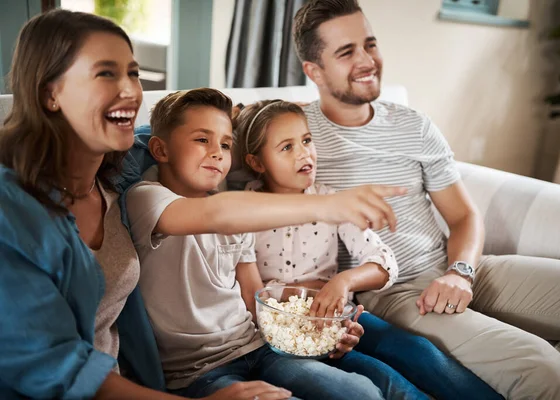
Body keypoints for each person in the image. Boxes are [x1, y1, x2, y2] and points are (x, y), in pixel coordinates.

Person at [0, 9, 399, 400]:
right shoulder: (42, 207)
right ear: (49, 92)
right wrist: (327, 206)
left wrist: (310, 331)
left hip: (239, 348)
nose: (130, 90)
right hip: (171, 376)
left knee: (361, 388)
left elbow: (167, 136)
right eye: (106, 73)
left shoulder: (113, 176)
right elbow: (213, 209)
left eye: (134, 73)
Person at [282, 1, 560, 399]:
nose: (367, 60)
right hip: (396, 291)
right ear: (313, 71)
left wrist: (460, 271)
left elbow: (465, 215)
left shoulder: (413, 124)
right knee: (540, 370)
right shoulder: (294, 137)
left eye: (370, 44)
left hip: (460, 268)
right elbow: (208, 130)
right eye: (346, 52)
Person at [125, 88, 405, 399]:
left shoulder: (237, 212)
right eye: (202, 140)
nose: (218, 152)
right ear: (160, 150)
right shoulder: (145, 198)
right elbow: (217, 215)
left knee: (361, 392)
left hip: (259, 347)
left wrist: (316, 335)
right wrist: (327, 206)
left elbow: (252, 296)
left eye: (226, 144)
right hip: (200, 371)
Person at [235, 98, 503, 400]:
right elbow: (250, 294)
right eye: (287, 147)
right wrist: (299, 292)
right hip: (284, 333)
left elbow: (383, 261)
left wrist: (342, 282)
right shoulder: (242, 213)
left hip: (341, 317)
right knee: (385, 380)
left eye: (307, 140)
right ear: (257, 163)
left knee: (418, 351)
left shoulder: (333, 202)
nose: (304, 153)